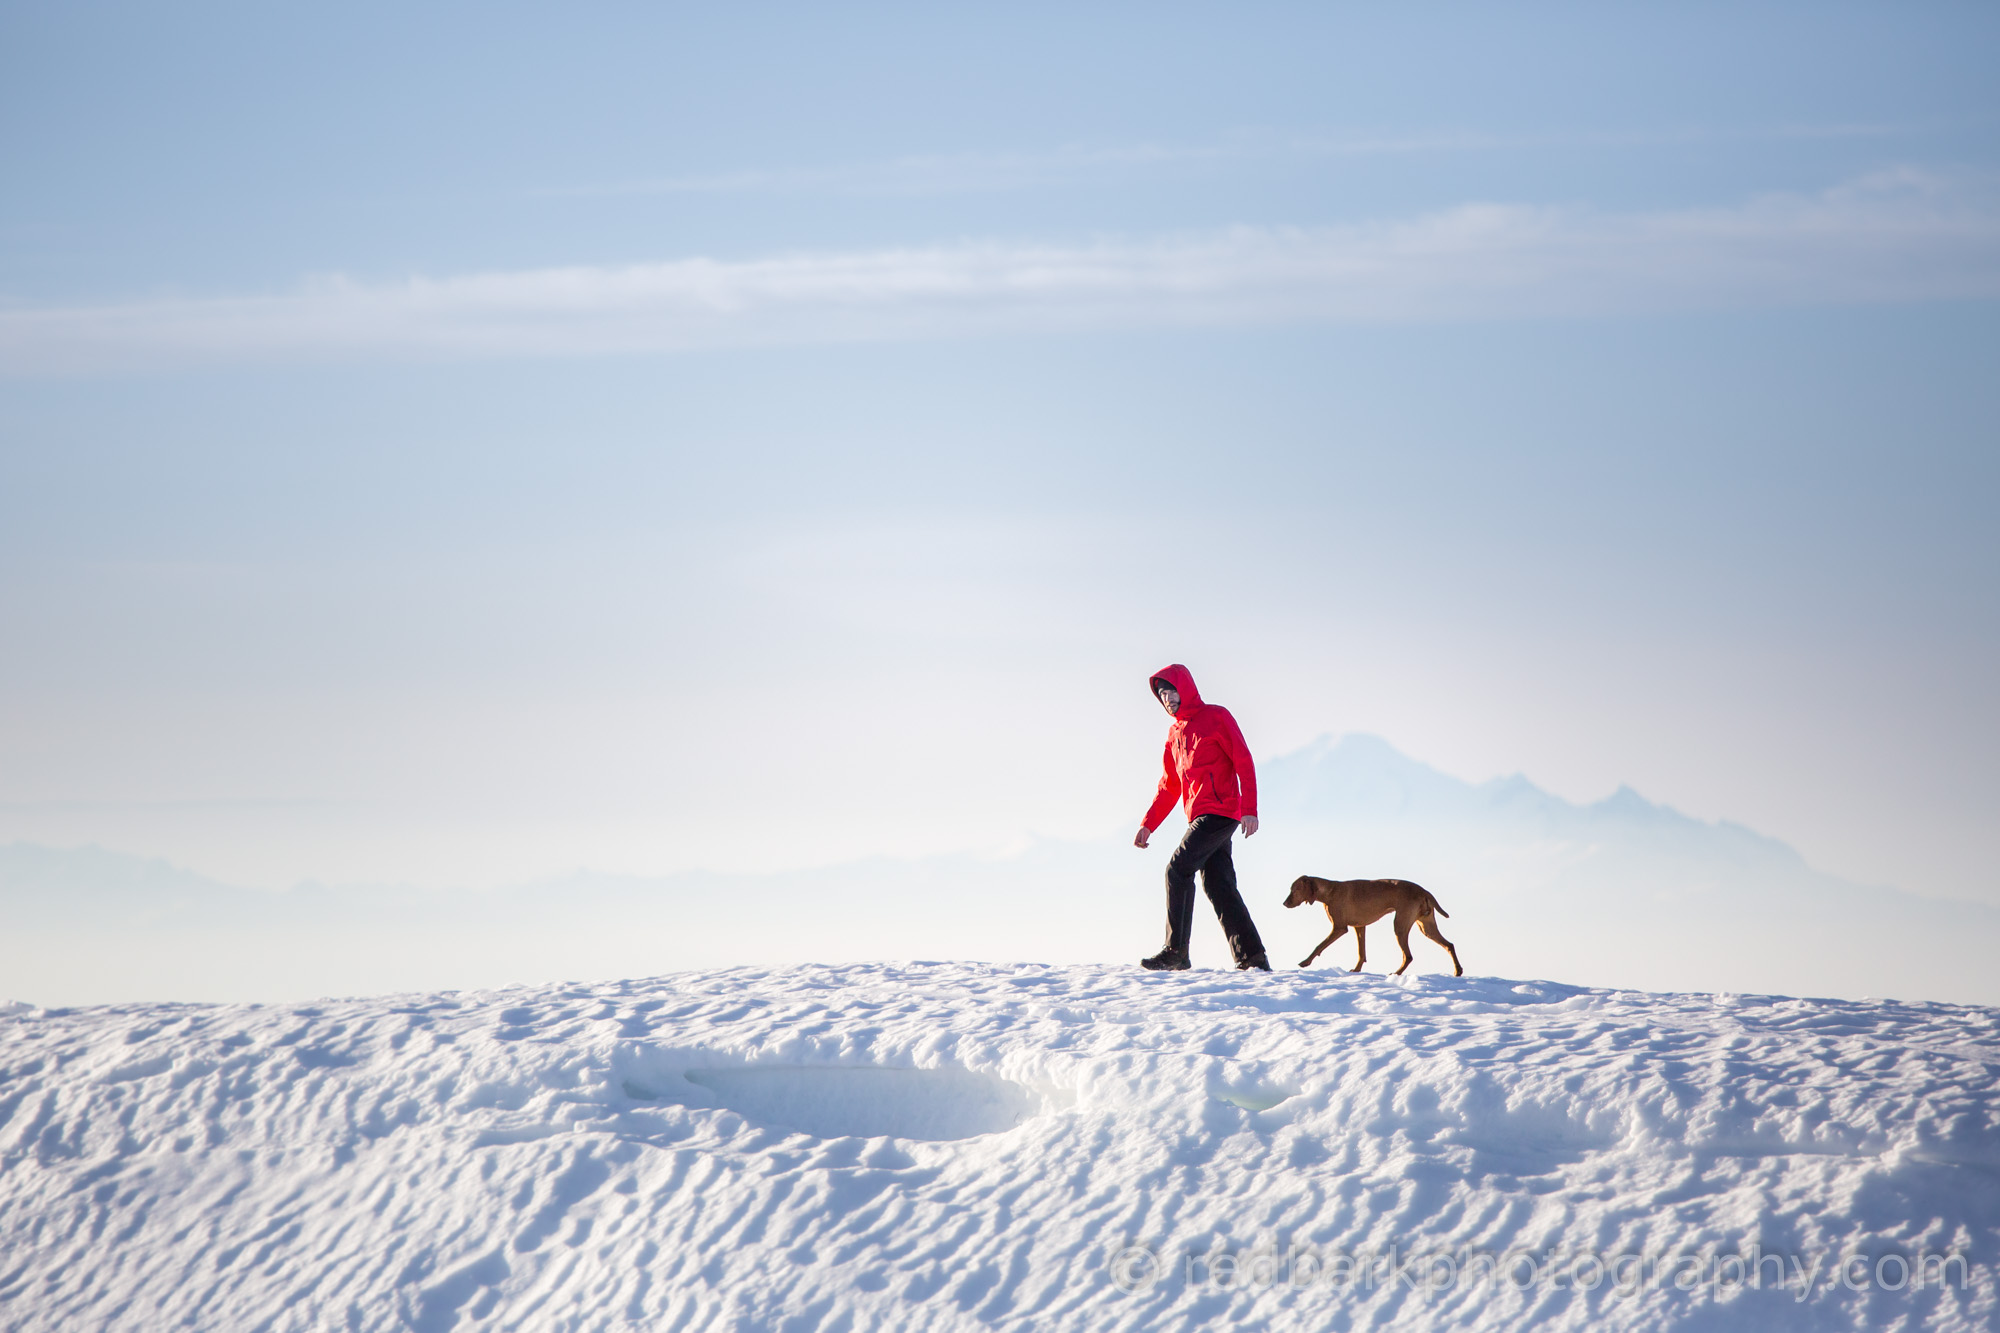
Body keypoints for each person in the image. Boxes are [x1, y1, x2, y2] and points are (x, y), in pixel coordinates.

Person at [1133, 664, 1271, 972]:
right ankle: (1253, 957)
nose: (1167, 698)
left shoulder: (1216, 717)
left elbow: (1243, 760)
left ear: (1186, 688)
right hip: (1199, 814)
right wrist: (1148, 824)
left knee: (1177, 869)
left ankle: (1176, 951)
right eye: (1162, 694)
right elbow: (1170, 786)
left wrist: (1250, 809)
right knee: (1219, 885)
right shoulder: (1174, 735)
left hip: (1221, 810)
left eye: (1171, 690)